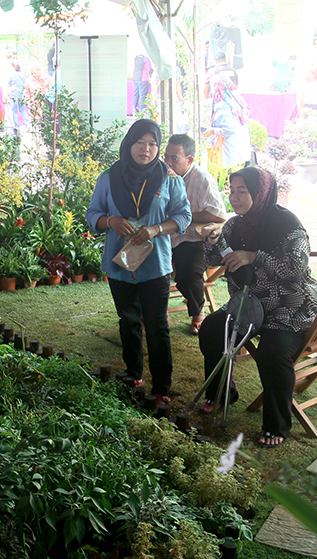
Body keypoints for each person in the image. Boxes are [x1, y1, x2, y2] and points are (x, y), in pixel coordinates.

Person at [198, 167, 317, 447]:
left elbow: (296, 267)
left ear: (261, 193)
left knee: (273, 351)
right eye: (232, 190)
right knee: (211, 328)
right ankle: (222, 394)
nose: (235, 197)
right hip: (248, 306)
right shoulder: (234, 225)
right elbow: (213, 259)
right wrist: (214, 240)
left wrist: (254, 256)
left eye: (243, 191)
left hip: (288, 308)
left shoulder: (288, 225)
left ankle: (276, 425)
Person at [86, 119, 192, 406]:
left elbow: (184, 216)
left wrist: (157, 229)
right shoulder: (109, 178)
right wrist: (112, 221)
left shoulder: (170, 179)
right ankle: (133, 373)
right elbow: (92, 214)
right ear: (129, 143)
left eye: (153, 144)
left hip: (155, 264)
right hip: (120, 263)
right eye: (140, 142)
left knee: (157, 325)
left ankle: (162, 388)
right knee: (128, 320)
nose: (146, 149)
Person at [163, 134, 227, 334]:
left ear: (190, 160)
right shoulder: (163, 175)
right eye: (166, 157)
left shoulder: (201, 178)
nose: (168, 162)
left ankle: (198, 312)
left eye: (175, 158)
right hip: (166, 235)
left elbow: (218, 214)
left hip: (194, 238)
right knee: (150, 264)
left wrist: (184, 217)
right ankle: (157, 311)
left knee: (189, 272)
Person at [207, 72, 251, 168]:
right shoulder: (238, 100)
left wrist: (213, 131)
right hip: (243, 153)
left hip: (231, 157)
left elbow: (230, 129)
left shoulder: (222, 106)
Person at [7, 60, 28, 136]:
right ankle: (27, 124)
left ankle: (16, 126)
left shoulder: (11, 74)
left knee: (14, 111)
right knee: (23, 110)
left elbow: (8, 85)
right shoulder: (23, 73)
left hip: (14, 94)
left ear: (12, 66)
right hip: (22, 93)